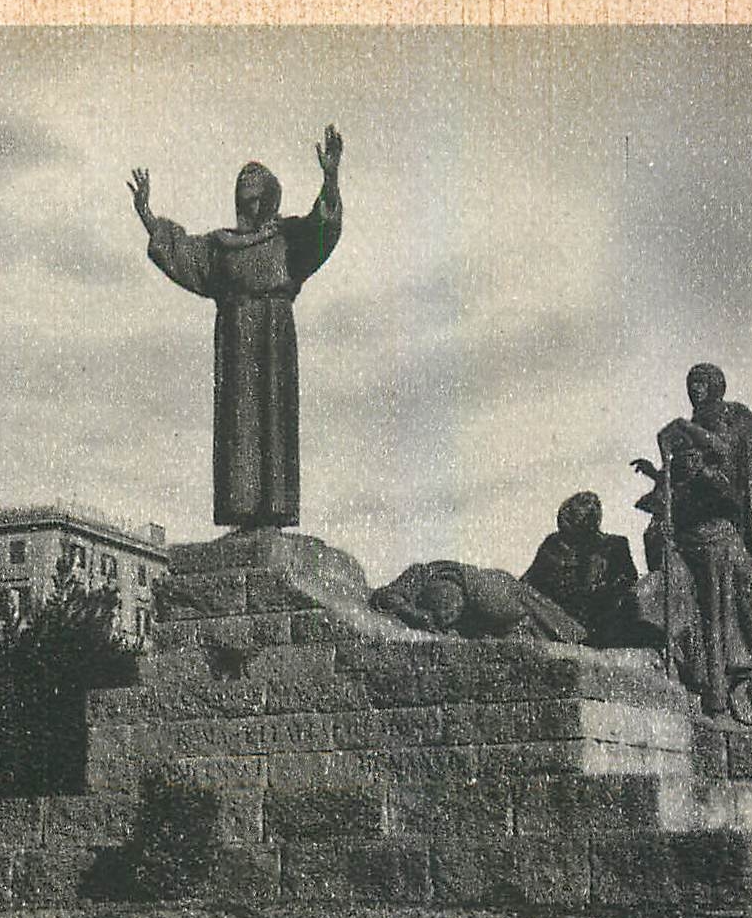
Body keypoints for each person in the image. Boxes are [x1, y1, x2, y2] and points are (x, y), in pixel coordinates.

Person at [127, 125, 343, 528]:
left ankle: (274, 513)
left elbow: (324, 228)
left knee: (274, 421)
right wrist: (148, 217)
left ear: (268, 195)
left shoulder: (288, 238)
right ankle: (241, 513)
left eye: (255, 179)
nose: (247, 180)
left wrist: (330, 178)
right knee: (237, 424)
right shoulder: (219, 246)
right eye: (242, 179)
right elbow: (182, 254)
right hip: (235, 341)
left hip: (274, 338)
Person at [632, 363, 752, 721]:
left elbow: (729, 457)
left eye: (701, 383)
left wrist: (686, 431)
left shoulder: (733, 417)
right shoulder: (694, 430)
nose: (695, 389)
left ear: (716, 385)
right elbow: (682, 475)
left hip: (721, 541)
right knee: (689, 613)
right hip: (689, 538)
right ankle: (702, 687)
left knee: (734, 623)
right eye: (691, 383)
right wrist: (658, 475)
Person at [521, 491, 641, 647]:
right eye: (584, 503)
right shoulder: (553, 545)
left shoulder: (615, 545)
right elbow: (528, 583)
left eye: (596, 504)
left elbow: (628, 586)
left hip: (596, 626)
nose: (592, 508)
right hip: (556, 620)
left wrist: (602, 593)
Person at [370, 561, 588, 643]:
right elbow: (386, 597)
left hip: (478, 585)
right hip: (486, 585)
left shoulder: (421, 576)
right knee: (532, 609)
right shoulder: (415, 579)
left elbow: (387, 597)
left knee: (523, 609)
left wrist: (419, 616)